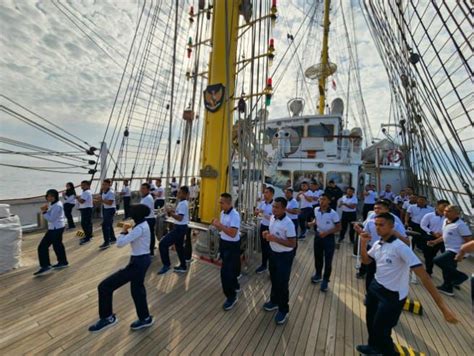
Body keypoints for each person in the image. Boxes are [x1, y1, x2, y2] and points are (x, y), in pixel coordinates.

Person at [356, 213, 458, 356]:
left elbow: (424, 277)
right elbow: (366, 262)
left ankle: (388, 353)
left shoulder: (401, 248)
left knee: (382, 330)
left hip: (392, 295)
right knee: (371, 322)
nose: (377, 228)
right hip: (375, 287)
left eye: (381, 225)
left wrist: (444, 309)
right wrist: (363, 243)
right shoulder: (379, 244)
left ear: (392, 227)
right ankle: (373, 347)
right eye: (376, 225)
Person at [88, 204, 154, 333]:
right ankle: (145, 318)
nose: (130, 213)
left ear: (136, 215)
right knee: (137, 290)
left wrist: (124, 230)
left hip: (138, 263)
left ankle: (108, 318)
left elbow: (120, 243)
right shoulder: (143, 224)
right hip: (142, 259)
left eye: (132, 212)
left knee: (105, 286)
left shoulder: (139, 228)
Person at [354, 200, 408, 289]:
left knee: (385, 273)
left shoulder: (395, 221)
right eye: (375, 208)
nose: (376, 210)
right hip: (373, 248)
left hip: (388, 251)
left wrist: (395, 233)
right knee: (371, 272)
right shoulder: (371, 219)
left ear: (387, 209)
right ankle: (369, 294)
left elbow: (404, 238)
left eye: (379, 208)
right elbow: (365, 233)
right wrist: (359, 230)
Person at [261, 197, 297, 325]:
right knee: (274, 279)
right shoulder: (272, 217)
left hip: (284, 257)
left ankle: (283, 309)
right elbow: (272, 233)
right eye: (273, 206)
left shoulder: (288, 224)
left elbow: (293, 243)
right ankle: (274, 301)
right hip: (273, 253)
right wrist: (267, 233)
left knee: (282, 283)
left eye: (277, 207)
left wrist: (275, 239)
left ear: (283, 208)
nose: (274, 209)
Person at [432, 205, 472, 296]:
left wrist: (462, 254)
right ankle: (447, 287)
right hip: (449, 249)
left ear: (457, 213)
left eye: (449, 211)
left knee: (437, 260)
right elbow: (445, 236)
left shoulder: (460, 225)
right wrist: (435, 242)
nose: (445, 212)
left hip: (457, 251)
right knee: (447, 269)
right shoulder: (445, 221)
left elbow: (468, 240)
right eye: (445, 210)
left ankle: (461, 276)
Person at [211, 193, 241, 311]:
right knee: (231, 269)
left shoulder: (235, 215)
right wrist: (217, 225)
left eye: (222, 202)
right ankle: (235, 285)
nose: (220, 204)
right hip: (224, 243)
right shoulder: (222, 213)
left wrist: (220, 225)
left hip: (232, 245)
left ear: (229, 203)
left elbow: (233, 233)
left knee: (225, 273)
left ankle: (231, 297)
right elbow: (223, 229)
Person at [309, 194, 341, 292]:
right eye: (320, 199)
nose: (321, 201)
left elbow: (339, 227)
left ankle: (325, 280)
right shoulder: (316, 210)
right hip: (318, 236)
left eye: (324, 199)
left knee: (328, 260)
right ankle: (318, 275)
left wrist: (326, 233)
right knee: (318, 256)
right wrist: (313, 223)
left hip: (328, 238)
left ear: (329, 201)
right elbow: (316, 219)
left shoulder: (333, 213)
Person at [34, 189, 68, 276]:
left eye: (51, 196)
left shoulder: (57, 206)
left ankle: (45, 266)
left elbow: (51, 219)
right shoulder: (53, 203)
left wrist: (44, 211)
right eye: (48, 196)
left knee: (42, 246)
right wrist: (46, 210)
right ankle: (63, 262)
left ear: (55, 196)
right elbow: (51, 214)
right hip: (56, 227)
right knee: (57, 245)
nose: (49, 197)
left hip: (56, 228)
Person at [158, 186, 190, 274]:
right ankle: (183, 266)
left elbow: (180, 218)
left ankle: (166, 265)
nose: (178, 194)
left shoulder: (183, 204)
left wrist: (170, 213)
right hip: (180, 227)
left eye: (180, 192)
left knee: (162, 244)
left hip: (180, 228)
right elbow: (178, 214)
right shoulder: (182, 202)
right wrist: (172, 211)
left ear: (184, 194)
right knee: (179, 247)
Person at [420, 200, 449, 276]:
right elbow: (423, 225)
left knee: (447, 258)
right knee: (429, 256)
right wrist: (432, 232)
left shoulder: (448, 217)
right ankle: (429, 271)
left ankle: (449, 278)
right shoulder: (429, 215)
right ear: (437, 206)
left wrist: (443, 233)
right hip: (430, 237)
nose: (446, 207)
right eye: (444, 205)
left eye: (447, 205)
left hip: (443, 239)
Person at [255, 186, 274, 273]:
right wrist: (256, 212)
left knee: (271, 248)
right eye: (264, 192)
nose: (264, 194)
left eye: (266, 192)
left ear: (271, 194)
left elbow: (275, 218)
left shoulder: (275, 205)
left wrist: (263, 213)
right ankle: (264, 265)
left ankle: (271, 267)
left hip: (271, 228)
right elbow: (257, 212)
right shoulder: (262, 203)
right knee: (263, 247)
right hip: (263, 226)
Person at [97, 179, 117, 250]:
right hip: (106, 209)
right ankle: (113, 238)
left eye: (105, 184)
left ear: (109, 185)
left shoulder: (111, 192)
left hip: (110, 209)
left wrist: (101, 200)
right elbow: (103, 200)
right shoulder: (103, 191)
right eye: (103, 184)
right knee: (109, 225)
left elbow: (110, 203)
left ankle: (107, 242)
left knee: (105, 225)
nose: (103, 186)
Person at [139, 183, 156, 255]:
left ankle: (150, 251)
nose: (141, 190)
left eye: (143, 188)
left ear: (148, 190)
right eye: (141, 188)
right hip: (148, 219)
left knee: (149, 236)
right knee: (149, 235)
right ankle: (149, 250)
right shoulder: (145, 197)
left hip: (149, 219)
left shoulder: (148, 198)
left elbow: (146, 211)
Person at [77, 180, 93, 245]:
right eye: (81, 185)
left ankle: (87, 238)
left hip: (86, 210)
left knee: (84, 224)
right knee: (88, 223)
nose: (82, 186)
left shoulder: (86, 192)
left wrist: (77, 198)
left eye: (84, 185)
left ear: (88, 186)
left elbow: (82, 201)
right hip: (87, 209)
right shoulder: (87, 192)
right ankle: (89, 235)